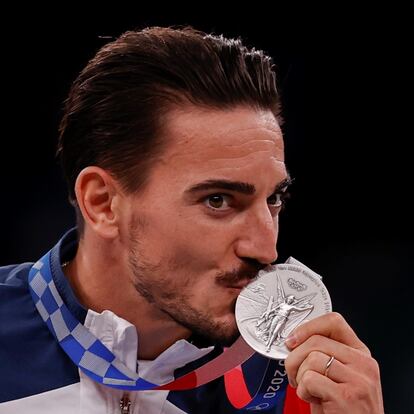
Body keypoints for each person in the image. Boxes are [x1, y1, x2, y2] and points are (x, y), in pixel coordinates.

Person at [0, 26, 384, 413]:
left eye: (274, 199)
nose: (266, 249)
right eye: (218, 200)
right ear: (103, 203)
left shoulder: (303, 388)